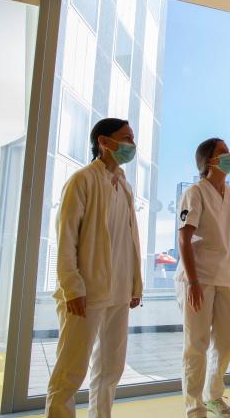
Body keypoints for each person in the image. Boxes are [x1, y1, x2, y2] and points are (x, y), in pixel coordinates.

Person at [45, 118, 143, 418]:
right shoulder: (82, 180)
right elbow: (66, 238)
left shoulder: (124, 186)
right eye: (126, 137)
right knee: (71, 370)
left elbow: (130, 240)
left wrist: (135, 285)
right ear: (104, 141)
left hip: (119, 292)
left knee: (111, 368)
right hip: (85, 293)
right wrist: (72, 287)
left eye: (132, 138)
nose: (132, 144)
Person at [176, 138, 230, 418]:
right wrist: (193, 281)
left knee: (227, 341)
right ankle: (194, 407)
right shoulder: (195, 193)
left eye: (228, 150)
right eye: (222, 151)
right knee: (197, 345)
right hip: (199, 278)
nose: (229, 155)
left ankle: (213, 396)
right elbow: (183, 238)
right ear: (209, 160)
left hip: (226, 277)